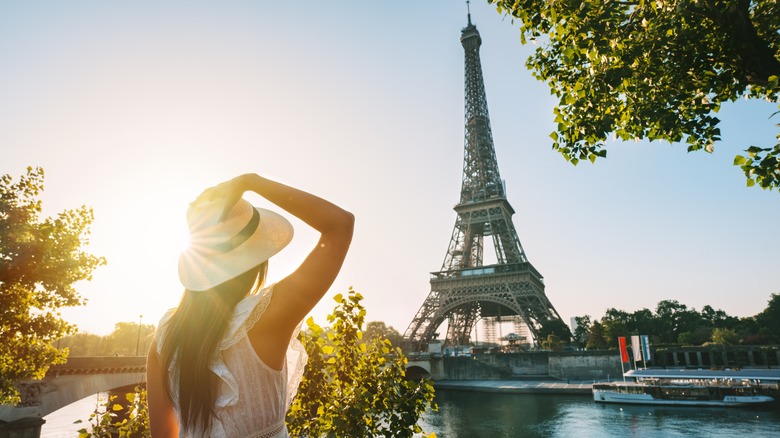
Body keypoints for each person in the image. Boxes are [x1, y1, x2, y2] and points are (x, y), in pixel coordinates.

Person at [146, 173, 354, 438]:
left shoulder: (164, 337)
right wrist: (251, 182)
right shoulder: (268, 316)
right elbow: (340, 225)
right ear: (257, 260)